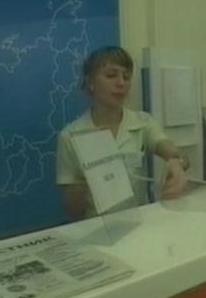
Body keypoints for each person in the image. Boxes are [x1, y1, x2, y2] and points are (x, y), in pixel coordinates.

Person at [56, 46, 189, 220]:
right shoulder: (70, 136)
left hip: (139, 223)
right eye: (111, 75)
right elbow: (73, 212)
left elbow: (171, 149)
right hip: (96, 227)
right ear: (90, 82)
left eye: (126, 77)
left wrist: (177, 162)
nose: (121, 83)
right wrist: (81, 187)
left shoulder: (142, 122)